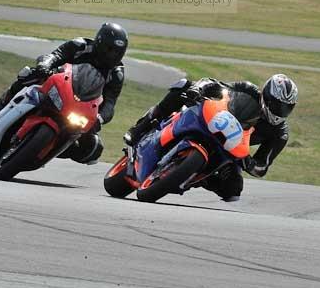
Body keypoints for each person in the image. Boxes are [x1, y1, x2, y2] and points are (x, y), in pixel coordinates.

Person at [124, 73, 298, 201]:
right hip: (212, 120)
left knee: (233, 191)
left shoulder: (280, 134)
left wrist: (248, 162)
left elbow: (262, 166)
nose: (280, 111)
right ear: (266, 96)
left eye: (286, 108)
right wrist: (198, 89)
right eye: (277, 105)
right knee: (183, 86)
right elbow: (216, 85)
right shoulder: (248, 90)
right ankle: (141, 127)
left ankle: (198, 177)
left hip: (231, 148)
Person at [0, 22, 128, 165]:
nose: (112, 55)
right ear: (100, 42)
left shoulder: (116, 74)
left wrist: (100, 118)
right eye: (109, 49)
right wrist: (45, 65)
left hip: (80, 107)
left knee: (94, 148)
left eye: (117, 52)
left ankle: (51, 149)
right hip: (56, 86)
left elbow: (110, 102)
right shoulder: (80, 45)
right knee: (29, 74)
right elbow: (56, 55)